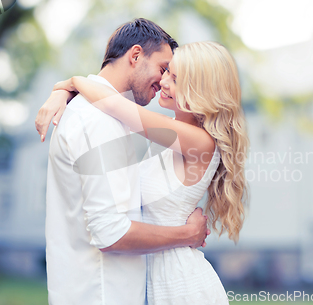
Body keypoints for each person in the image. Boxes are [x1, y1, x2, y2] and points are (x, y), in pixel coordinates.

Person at [37, 41, 249, 304]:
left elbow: (117, 107)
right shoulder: (172, 134)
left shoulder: (199, 142)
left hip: (181, 285)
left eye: (176, 78)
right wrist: (64, 92)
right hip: (154, 279)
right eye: (167, 71)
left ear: (201, 90)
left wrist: (69, 83)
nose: (164, 81)